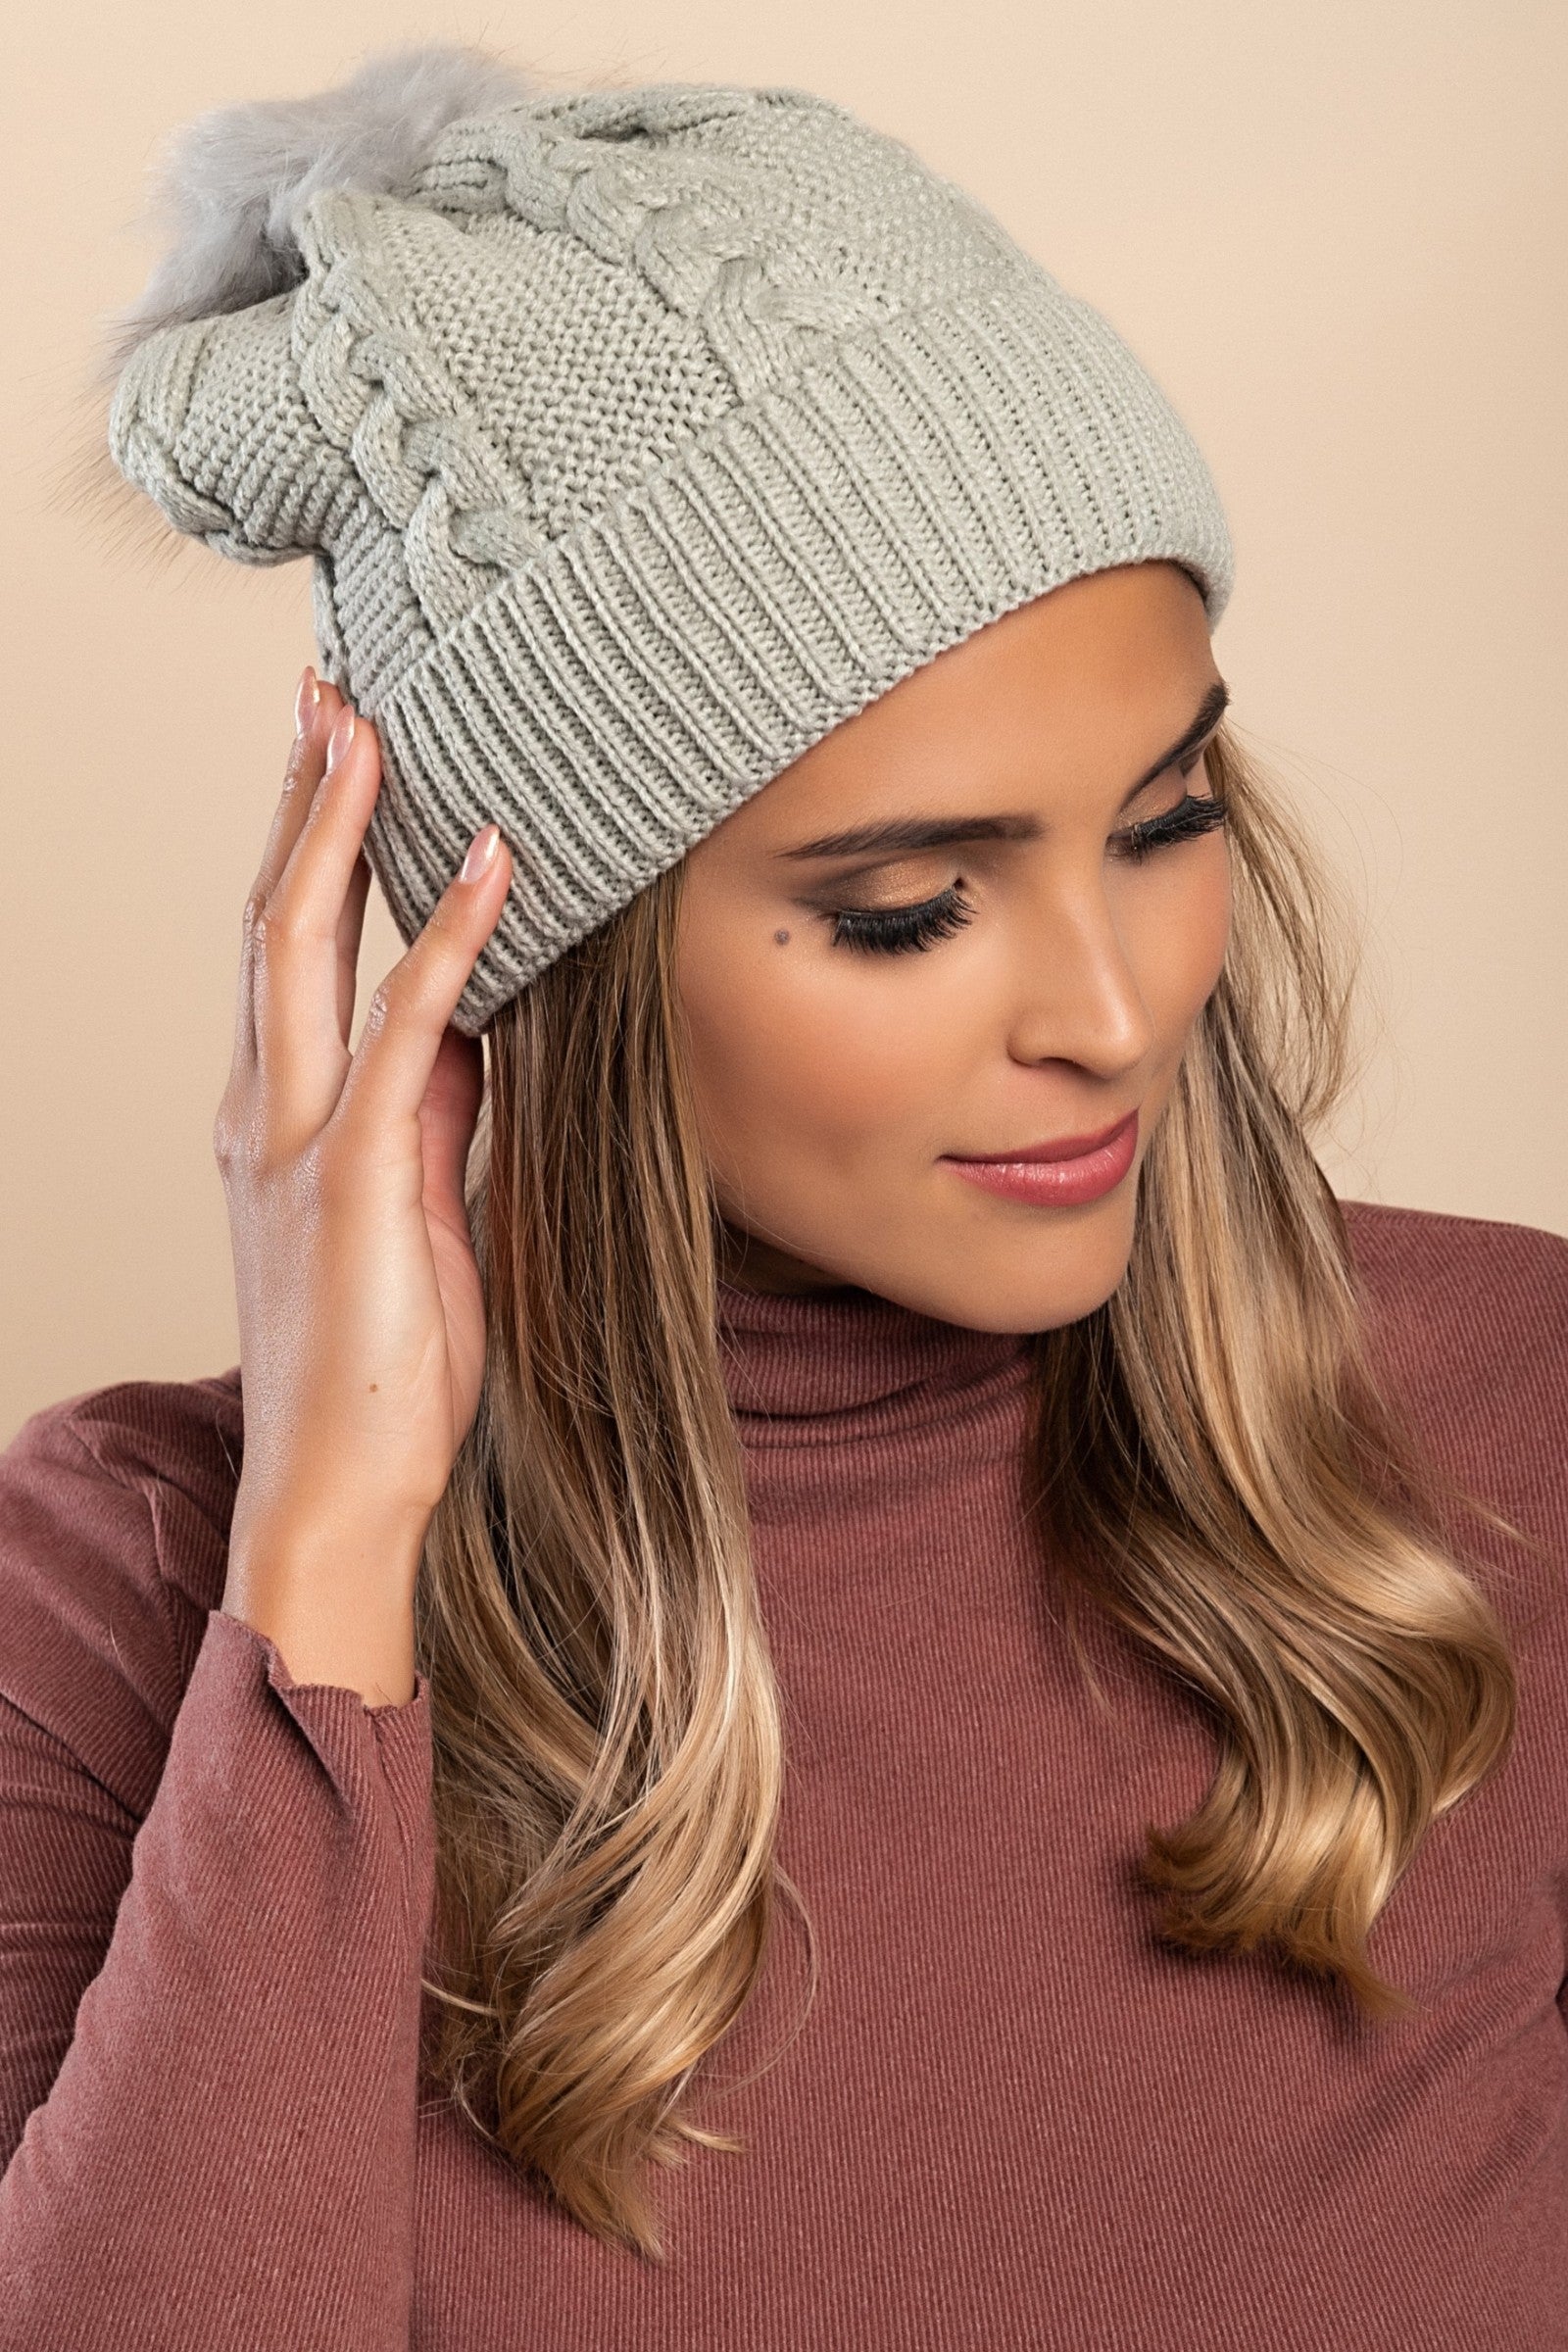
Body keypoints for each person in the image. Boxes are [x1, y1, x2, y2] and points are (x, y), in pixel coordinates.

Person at [1, 42, 1563, 2352]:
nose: (1115, 1010)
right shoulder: (121, 1595)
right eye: (907, 910)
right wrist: (329, 1543)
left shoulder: (1516, 1412)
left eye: (1163, 821)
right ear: (554, 959)